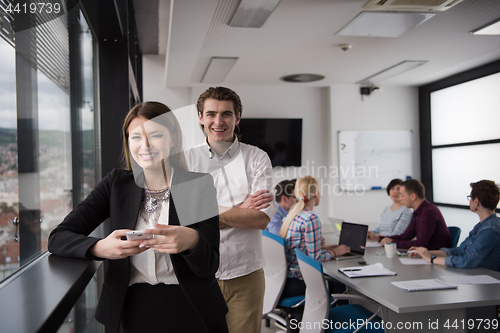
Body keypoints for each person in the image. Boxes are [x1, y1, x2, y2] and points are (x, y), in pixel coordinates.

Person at [48, 102, 228, 333]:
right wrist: (100, 248)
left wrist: (192, 241)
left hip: (194, 309)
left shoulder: (195, 185)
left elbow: (209, 266)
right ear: (127, 140)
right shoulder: (116, 184)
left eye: (155, 135)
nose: (145, 145)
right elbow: (58, 237)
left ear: (172, 138)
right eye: (136, 137)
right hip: (130, 309)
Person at [184, 87, 277, 333]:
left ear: (237, 118)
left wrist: (203, 214)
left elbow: (260, 218)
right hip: (196, 275)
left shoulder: (257, 158)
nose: (218, 121)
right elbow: (184, 222)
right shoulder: (185, 161)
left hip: (245, 274)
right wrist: (239, 209)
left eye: (226, 114)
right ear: (201, 118)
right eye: (211, 113)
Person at [279, 176, 350, 298]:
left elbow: (300, 248)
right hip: (299, 282)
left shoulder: (291, 216)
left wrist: (325, 248)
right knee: (339, 280)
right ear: (316, 193)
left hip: (284, 282)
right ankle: (339, 314)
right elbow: (315, 257)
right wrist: (335, 252)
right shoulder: (311, 218)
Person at [409, 180, 500, 271]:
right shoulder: (481, 226)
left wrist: (431, 259)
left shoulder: (490, 230)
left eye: (470, 197)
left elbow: (467, 261)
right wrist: (425, 252)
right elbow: (459, 251)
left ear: (476, 201)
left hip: (487, 280)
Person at [379, 179, 451, 250]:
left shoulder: (428, 212)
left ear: (413, 196)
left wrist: (392, 242)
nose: (400, 199)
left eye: (402, 195)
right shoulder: (419, 212)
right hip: (426, 254)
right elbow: (405, 236)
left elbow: (420, 244)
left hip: (434, 257)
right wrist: (380, 238)